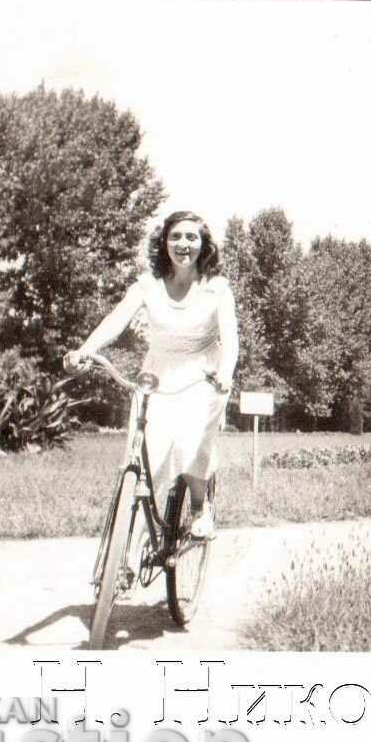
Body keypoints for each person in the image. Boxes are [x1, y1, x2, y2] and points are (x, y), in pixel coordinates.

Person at [65, 211, 239, 539]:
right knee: (147, 452)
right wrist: (85, 350)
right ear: (164, 242)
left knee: (190, 446)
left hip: (203, 375)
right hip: (157, 373)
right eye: (175, 236)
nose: (183, 244)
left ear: (204, 246)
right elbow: (115, 322)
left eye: (191, 237)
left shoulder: (217, 289)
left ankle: (201, 507)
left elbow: (230, 341)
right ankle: (127, 554)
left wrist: (226, 373)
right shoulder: (148, 285)